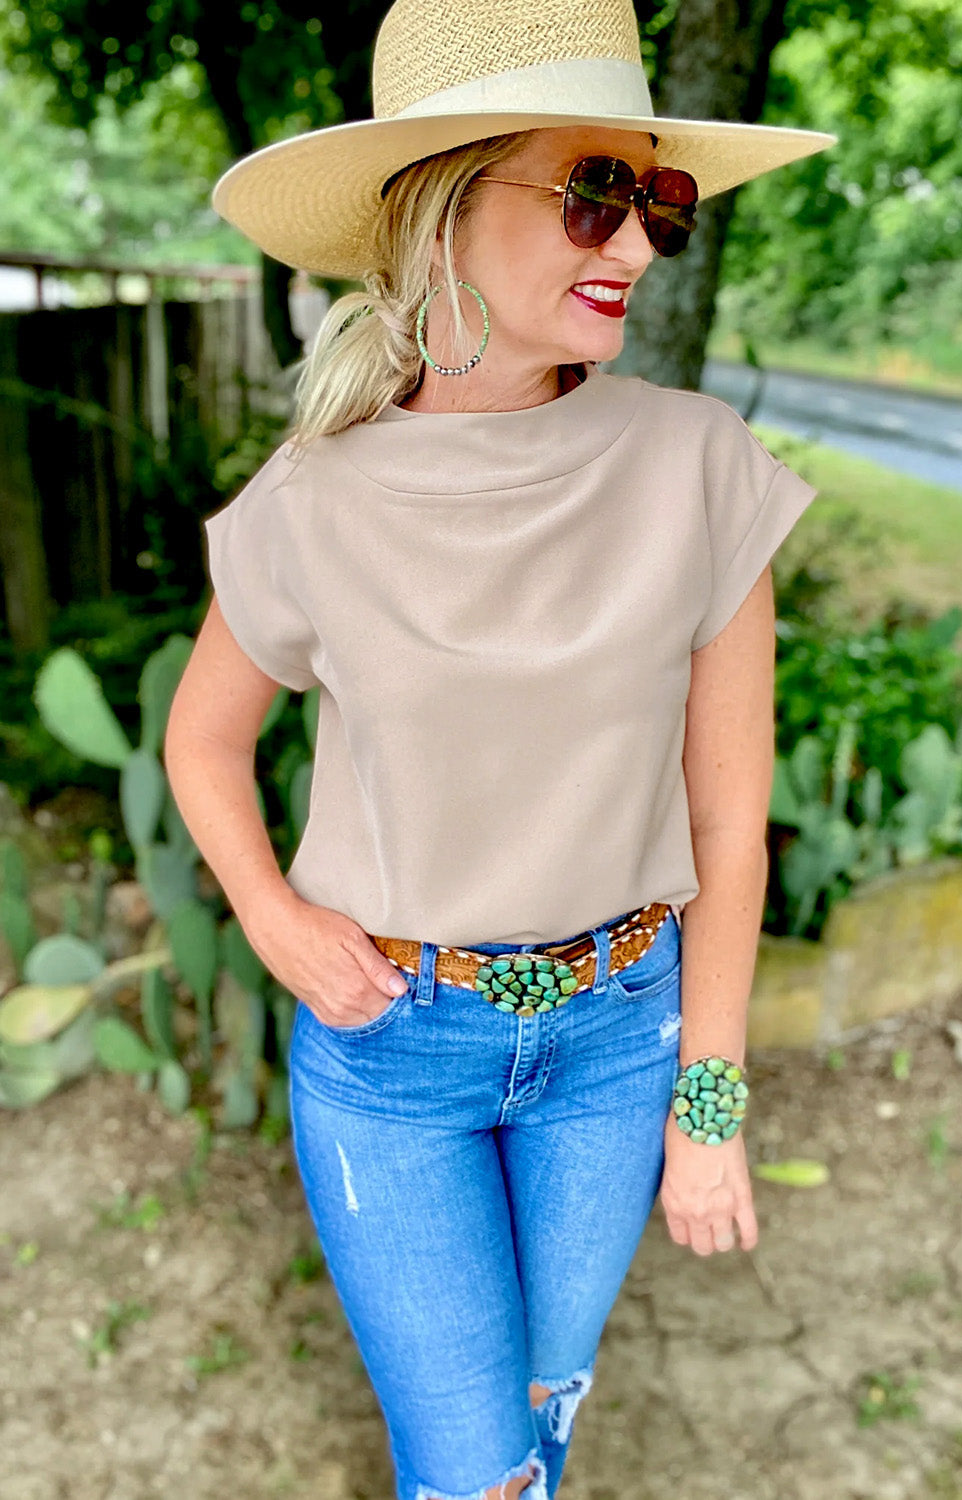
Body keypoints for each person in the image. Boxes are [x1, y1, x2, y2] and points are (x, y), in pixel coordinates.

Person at [164, 0, 837, 1495]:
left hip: (619, 1042)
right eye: (594, 191)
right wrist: (271, 916)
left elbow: (730, 828)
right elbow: (202, 741)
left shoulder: (700, 467)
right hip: (393, 1054)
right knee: (476, 1473)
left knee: (544, 1414)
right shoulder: (313, 501)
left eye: (656, 199)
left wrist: (709, 1107)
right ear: (444, 209)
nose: (639, 242)